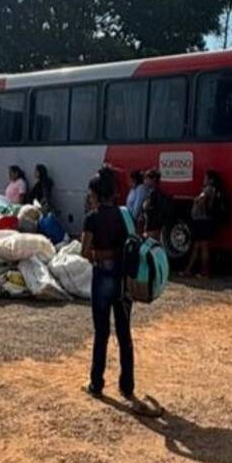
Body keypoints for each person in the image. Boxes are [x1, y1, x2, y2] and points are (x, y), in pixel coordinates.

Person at [81, 168, 153, 415]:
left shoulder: (91, 218)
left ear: (95, 193)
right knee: (124, 334)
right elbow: (132, 244)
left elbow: (84, 252)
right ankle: (127, 385)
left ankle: (96, 383)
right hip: (123, 280)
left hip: (101, 277)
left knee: (101, 332)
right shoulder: (125, 216)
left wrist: (102, 255)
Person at [184, 171, 226, 279]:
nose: (204, 179)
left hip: (202, 221)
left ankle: (204, 272)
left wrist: (196, 200)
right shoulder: (215, 190)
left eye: (206, 178)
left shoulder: (208, 189)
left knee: (202, 247)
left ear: (211, 180)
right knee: (199, 246)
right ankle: (190, 270)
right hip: (206, 221)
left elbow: (201, 198)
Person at [138, 169, 171, 242]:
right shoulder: (149, 193)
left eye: (147, 178)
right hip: (150, 227)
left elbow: (155, 211)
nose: (145, 181)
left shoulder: (156, 195)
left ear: (153, 179)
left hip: (153, 228)